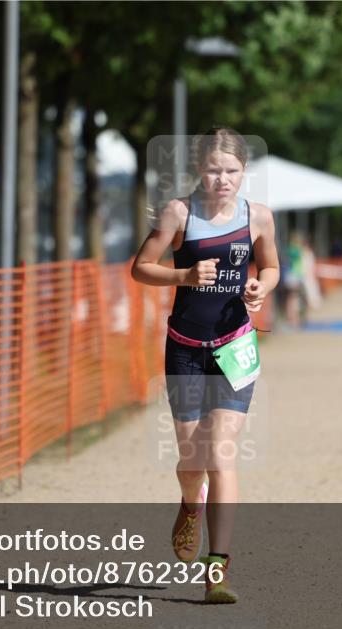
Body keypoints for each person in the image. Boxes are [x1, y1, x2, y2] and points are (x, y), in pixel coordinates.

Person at [130, 126, 280, 604]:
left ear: (244, 172)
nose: (222, 179)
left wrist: (263, 286)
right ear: (200, 169)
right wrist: (184, 274)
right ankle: (190, 503)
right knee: (193, 461)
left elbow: (271, 266)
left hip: (235, 347)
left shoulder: (257, 217)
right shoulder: (179, 212)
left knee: (222, 454)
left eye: (232, 171)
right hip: (185, 348)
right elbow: (140, 267)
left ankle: (218, 566)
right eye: (214, 169)